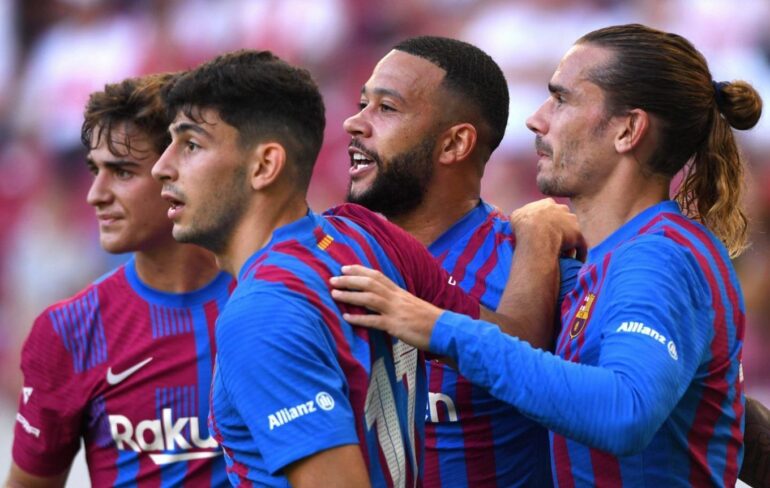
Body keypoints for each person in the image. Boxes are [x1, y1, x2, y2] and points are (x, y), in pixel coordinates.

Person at [331, 23, 762, 486]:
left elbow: (626, 411)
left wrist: (438, 328)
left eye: (560, 99)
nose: (536, 120)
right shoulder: (609, 260)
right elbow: (718, 416)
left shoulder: (659, 256)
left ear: (628, 130)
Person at [150, 49, 580, 487]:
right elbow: (507, 345)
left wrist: (536, 237)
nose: (162, 167)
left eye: (191, 145)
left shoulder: (266, 309)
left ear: (265, 165)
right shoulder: (367, 236)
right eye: (360, 103)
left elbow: (520, 356)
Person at [343, 35, 580, 486]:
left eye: (386, 108)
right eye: (361, 104)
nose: (353, 123)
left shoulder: (543, 271)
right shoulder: (330, 260)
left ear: (454, 144)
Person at [6, 73, 233, 487]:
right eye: (95, 170)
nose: (95, 193)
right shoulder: (69, 331)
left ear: (181, 174)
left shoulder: (273, 301)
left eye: (122, 172)